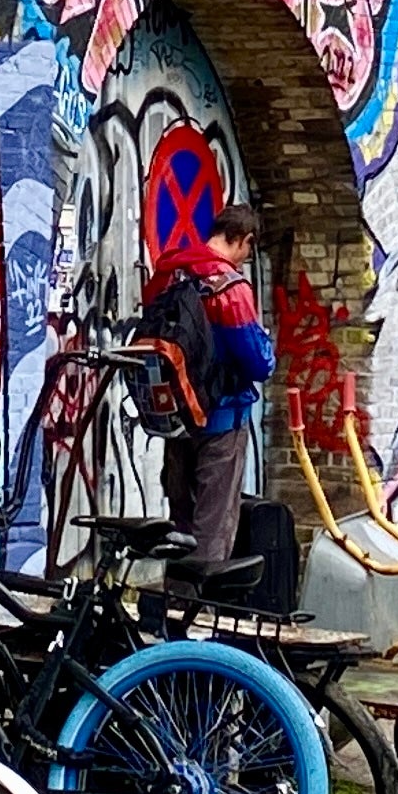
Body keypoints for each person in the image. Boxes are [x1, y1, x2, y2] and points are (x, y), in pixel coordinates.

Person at [149, 205, 278, 566]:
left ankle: (174, 596)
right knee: (212, 527)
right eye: (249, 249)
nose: (246, 257)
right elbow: (258, 361)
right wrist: (268, 348)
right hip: (222, 419)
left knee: (181, 525)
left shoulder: (172, 273)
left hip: (178, 417)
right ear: (244, 240)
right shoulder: (228, 287)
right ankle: (202, 598)